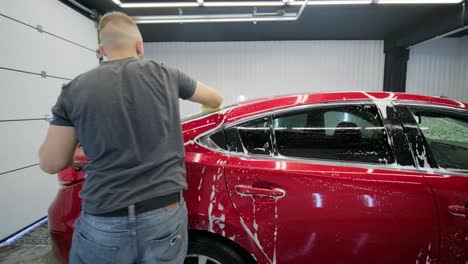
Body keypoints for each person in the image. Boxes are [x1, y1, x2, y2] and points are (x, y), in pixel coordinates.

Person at [38, 11, 223, 264]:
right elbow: (215, 99)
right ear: (139, 45)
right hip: (164, 212)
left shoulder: (75, 89)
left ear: (102, 49)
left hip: (105, 216)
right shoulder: (166, 74)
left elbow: (51, 162)